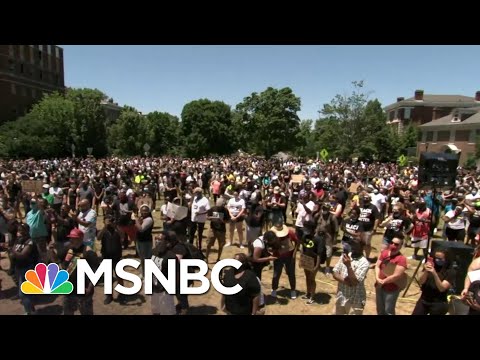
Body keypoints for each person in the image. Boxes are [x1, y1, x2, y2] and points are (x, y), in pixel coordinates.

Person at [60, 228, 99, 315]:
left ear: (80, 238)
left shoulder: (88, 252)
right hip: (69, 288)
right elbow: (59, 261)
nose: (71, 240)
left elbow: (96, 271)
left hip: (82, 289)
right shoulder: (69, 249)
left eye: (73, 238)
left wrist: (90, 288)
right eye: (70, 238)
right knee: (68, 312)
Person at [412, 248, 455, 315]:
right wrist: (426, 271)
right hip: (424, 299)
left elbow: (442, 288)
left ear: (446, 259)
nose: (437, 260)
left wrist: (434, 274)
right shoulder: (430, 265)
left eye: (440, 259)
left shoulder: (450, 272)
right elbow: (421, 282)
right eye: (436, 258)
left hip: (438, 302)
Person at [332, 239, 370, 315]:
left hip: (355, 299)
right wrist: (346, 282)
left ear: (362, 247)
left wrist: (348, 265)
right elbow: (334, 273)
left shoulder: (364, 263)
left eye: (356, 245)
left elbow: (355, 282)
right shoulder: (345, 256)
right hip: (341, 295)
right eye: (352, 244)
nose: (353, 246)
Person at [374, 233, 408, 315]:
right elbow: (377, 266)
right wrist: (377, 278)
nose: (393, 245)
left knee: (388, 310)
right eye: (392, 243)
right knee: (380, 309)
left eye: (396, 244)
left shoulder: (401, 259)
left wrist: (383, 281)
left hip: (391, 288)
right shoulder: (384, 253)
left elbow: (396, 276)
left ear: (400, 246)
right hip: (379, 285)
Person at [9, 223, 38, 315]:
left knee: (23, 293)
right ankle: (31, 310)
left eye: (21, 230)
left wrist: (11, 250)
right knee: (27, 293)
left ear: (26, 231)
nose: (19, 232)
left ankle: (29, 311)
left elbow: (22, 255)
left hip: (27, 269)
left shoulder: (30, 242)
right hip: (19, 268)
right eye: (18, 230)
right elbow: (13, 253)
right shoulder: (18, 241)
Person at [97, 215, 125, 305]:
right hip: (106, 257)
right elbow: (98, 237)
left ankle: (121, 293)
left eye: (111, 220)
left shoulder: (117, 230)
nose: (109, 222)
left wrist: (115, 226)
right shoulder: (103, 231)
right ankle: (109, 296)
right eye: (107, 221)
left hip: (117, 257)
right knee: (108, 277)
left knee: (119, 276)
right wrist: (105, 226)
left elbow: (123, 236)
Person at [150, 234, 179, 315]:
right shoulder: (155, 252)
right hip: (159, 289)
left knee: (162, 309)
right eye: (158, 239)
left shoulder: (169, 256)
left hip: (159, 288)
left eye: (160, 239)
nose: (157, 240)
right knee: (160, 309)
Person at [270, 223, 299, 300]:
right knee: (276, 274)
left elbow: (297, 242)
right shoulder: (273, 235)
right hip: (278, 257)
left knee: (291, 273)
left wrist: (294, 254)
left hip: (289, 257)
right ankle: (274, 289)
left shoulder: (290, 233)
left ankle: (293, 290)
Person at [206, 198, 230, 263]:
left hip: (222, 230)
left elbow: (228, 220)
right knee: (209, 244)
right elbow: (207, 217)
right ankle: (206, 258)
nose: (219, 208)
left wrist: (222, 221)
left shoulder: (225, 210)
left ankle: (218, 258)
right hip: (213, 229)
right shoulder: (213, 209)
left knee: (221, 245)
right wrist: (212, 218)